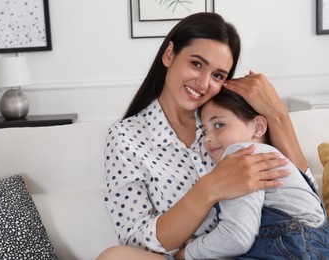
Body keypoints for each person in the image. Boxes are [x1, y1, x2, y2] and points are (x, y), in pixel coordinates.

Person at [98, 12, 307, 260]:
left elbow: (297, 189)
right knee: (115, 257)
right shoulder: (125, 137)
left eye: (218, 75)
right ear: (169, 55)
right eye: (196, 64)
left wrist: (277, 113)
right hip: (192, 256)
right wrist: (209, 188)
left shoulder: (229, 119)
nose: (203, 83)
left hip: (264, 251)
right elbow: (136, 240)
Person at [176, 87, 329, 259]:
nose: (207, 138)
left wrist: (187, 254)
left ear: (258, 126)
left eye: (219, 125)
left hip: (288, 247)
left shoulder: (241, 153)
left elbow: (236, 237)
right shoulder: (274, 160)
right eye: (205, 131)